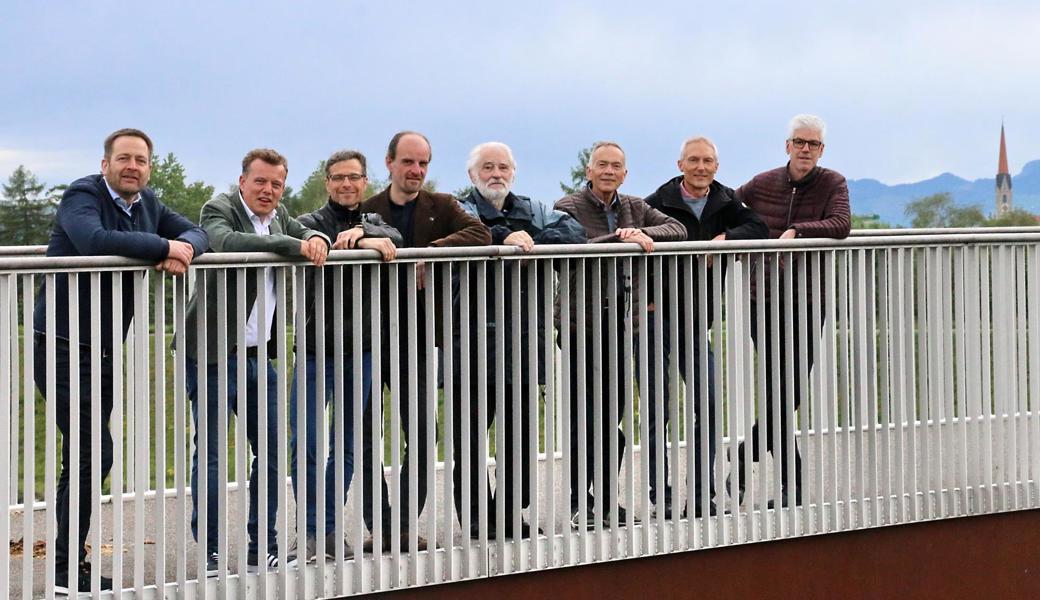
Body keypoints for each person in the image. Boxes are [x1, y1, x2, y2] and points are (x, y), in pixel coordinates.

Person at [32, 128, 208, 593]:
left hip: (104, 347)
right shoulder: (82, 193)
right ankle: (67, 569)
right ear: (105, 162)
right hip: (63, 342)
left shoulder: (148, 203)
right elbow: (93, 240)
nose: (133, 166)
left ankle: (70, 564)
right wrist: (163, 248)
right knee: (93, 452)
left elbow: (198, 231)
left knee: (87, 455)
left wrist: (184, 246)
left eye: (141, 160)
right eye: (124, 158)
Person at [184, 148, 330, 573]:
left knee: (269, 456)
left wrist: (316, 239)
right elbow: (226, 241)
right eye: (261, 182)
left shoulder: (282, 216)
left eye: (277, 184)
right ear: (243, 180)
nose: (268, 191)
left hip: (258, 358)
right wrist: (295, 245)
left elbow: (307, 233)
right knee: (210, 454)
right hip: (211, 354)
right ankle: (210, 550)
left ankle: (260, 545)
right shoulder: (220, 207)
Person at [359, 131, 490, 551]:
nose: (416, 171)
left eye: (423, 164)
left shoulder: (443, 205)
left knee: (421, 430)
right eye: (408, 163)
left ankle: (402, 522)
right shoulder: (365, 208)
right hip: (366, 336)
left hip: (417, 336)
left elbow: (479, 234)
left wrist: (428, 252)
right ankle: (379, 523)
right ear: (389, 162)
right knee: (362, 434)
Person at [453, 142, 586, 539]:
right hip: (471, 342)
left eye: (504, 167)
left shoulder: (534, 208)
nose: (496, 173)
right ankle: (477, 518)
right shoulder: (459, 208)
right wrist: (503, 240)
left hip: (525, 342)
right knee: (471, 438)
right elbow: (464, 236)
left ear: (514, 172)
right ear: (472, 175)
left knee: (521, 437)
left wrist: (530, 241)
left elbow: (574, 233)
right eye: (488, 167)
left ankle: (511, 512)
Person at [554, 141, 686, 529]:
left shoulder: (633, 206)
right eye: (602, 165)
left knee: (613, 418)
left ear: (625, 174)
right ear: (589, 171)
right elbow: (570, 244)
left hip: (620, 325)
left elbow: (676, 229)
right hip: (580, 325)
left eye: (616, 166)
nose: (609, 171)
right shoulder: (569, 206)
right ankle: (581, 503)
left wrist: (639, 230)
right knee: (586, 416)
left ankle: (606, 500)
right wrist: (622, 241)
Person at [641, 136, 767, 518]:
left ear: (716, 165)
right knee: (657, 409)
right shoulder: (656, 202)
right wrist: (646, 296)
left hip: (697, 320)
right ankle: (660, 495)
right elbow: (638, 245)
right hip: (654, 316)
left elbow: (758, 227)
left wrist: (725, 238)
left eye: (707, 161)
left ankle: (701, 497)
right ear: (680, 164)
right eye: (693, 160)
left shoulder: (726, 201)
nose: (700, 167)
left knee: (708, 406)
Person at [731, 114, 851, 508]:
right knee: (779, 395)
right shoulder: (762, 183)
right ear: (787, 145)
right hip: (760, 299)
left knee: (789, 394)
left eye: (812, 144)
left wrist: (798, 231)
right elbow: (727, 205)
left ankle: (742, 459)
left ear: (822, 150)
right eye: (799, 142)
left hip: (807, 301)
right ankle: (791, 490)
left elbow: (841, 223)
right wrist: (726, 237)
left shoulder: (832, 182)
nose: (805, 149)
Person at [288, 149, 401, 563]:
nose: (347, 184)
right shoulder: (311, 221)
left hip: (363, 351)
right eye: (339, 178)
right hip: (318, 349)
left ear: (365, 181)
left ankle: (330, 528)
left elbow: (397, 238)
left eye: (354, 177)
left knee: (349, 446)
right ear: (327, 182)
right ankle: (312, 530)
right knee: (308, 445)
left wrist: (368, 238)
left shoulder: (374, 221)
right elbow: (302, 235)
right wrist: (329, 240)